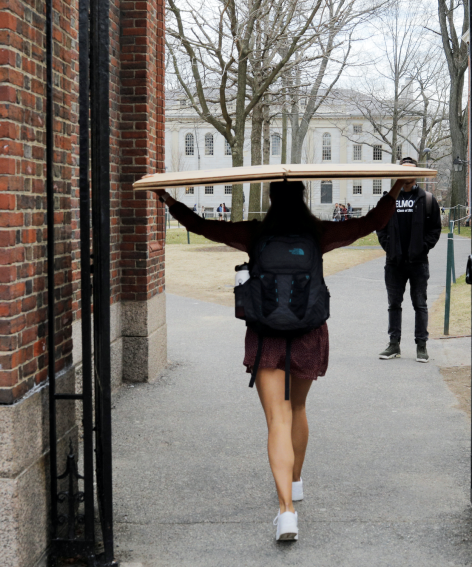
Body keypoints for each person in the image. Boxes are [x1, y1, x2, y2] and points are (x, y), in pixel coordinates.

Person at [154, 178, 403, 542]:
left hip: (266, 333)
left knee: (277, 420)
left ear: (270, 199)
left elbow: (202, 226)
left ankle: (286, 511)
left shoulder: (256, 233)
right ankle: (296, 481)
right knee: (298, 410)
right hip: (308, 332)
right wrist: (394, 190)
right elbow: (371, 223)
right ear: (302, 197)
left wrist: (169, 201)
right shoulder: (317, 233)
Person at [375, 157, 442, 363]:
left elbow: (435, 229)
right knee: (394, 304)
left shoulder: (427, 199)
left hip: (418, 263)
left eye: (411, 170)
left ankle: (421, 346)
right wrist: (389, 247)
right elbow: (380, 226)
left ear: (417, 174)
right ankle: (394, 344)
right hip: (394, 263)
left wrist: (422, 248)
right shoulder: (388, 200)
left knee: (420, 304)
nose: (407, 174)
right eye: (403, 170)